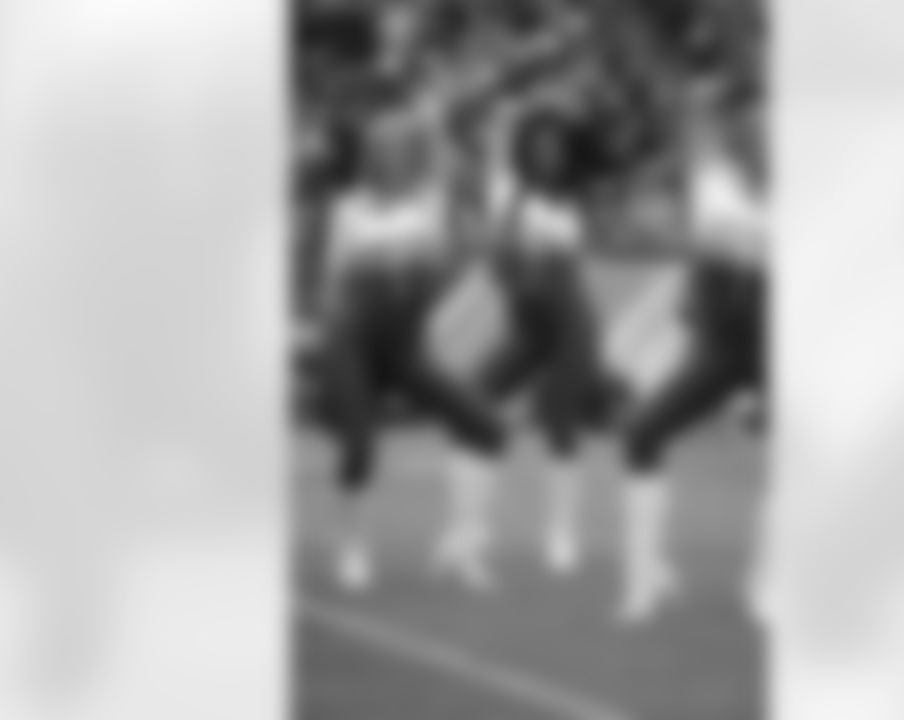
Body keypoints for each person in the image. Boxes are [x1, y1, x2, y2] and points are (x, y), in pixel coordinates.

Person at [303, 107, 509, 593]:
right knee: (360, 446)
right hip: (352, 338)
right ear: (370, 156)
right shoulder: (347, 209)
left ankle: (461, 543)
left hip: (405, 344)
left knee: (487, 428)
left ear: (411, 155)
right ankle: (351, 545)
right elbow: (329, 286)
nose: (389, 156)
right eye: (381, 148)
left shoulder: (429, 205)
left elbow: (456, 241)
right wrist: (323, 338)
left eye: (398, 147)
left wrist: (457, 142)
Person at [611, 113, 768, 624]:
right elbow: (681, 198)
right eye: (755, 140)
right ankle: (644, 579)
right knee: (641, 432)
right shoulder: (717, 189)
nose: (764, 149)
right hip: (719, 346)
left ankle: (768, 582)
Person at [457, 106, 619, 575]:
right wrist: (506, 261)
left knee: (560, 422)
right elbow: (497, 260)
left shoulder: (577, 199)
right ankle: (470, 529)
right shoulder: (509, 193)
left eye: (557, 147)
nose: (550, 154)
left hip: (571, 321)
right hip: (527, 323)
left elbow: (595, 240)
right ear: (525, 151)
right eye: (540, 146)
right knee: (470, 402)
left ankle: (561, 534)